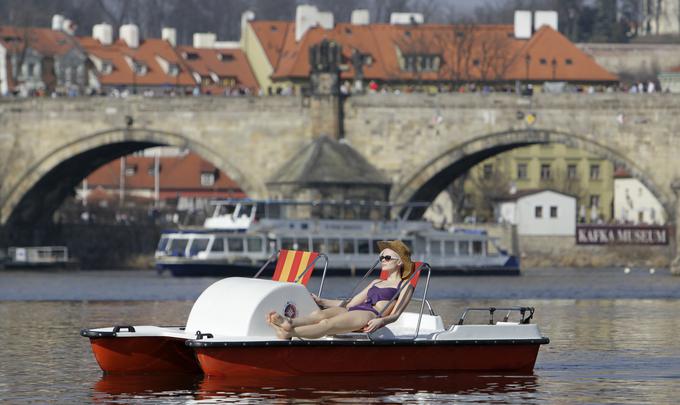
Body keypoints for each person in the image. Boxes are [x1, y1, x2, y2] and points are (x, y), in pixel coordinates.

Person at [267, 240, 416, 339]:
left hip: (371, 315)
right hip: (354, 309)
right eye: (381, 258)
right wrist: (321, 300)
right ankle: (290, 322)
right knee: (318, 314)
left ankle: (290, 332)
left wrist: (381, 321)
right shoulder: (376, 281)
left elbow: (396, 314)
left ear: (400, 262)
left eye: (387, 258)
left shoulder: (405, 286)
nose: (383, 260)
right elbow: (351, 303)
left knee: (326, 324)